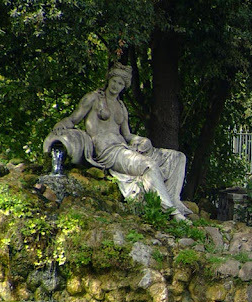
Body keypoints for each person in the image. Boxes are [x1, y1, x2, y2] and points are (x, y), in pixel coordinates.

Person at [48, 63, 192, 222]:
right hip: (108, 151)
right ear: (108, 80)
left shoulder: (122, 107)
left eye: (120, 83)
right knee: (148, 165)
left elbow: (127, 135)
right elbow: (73, 119)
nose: (116, 86)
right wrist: (61, 125)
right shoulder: (93, 98)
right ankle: (172, 213)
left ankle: (172, 201)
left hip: (124, 147)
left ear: (124, 86)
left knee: (177, 158)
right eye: (114, 81)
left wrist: (142, 140)